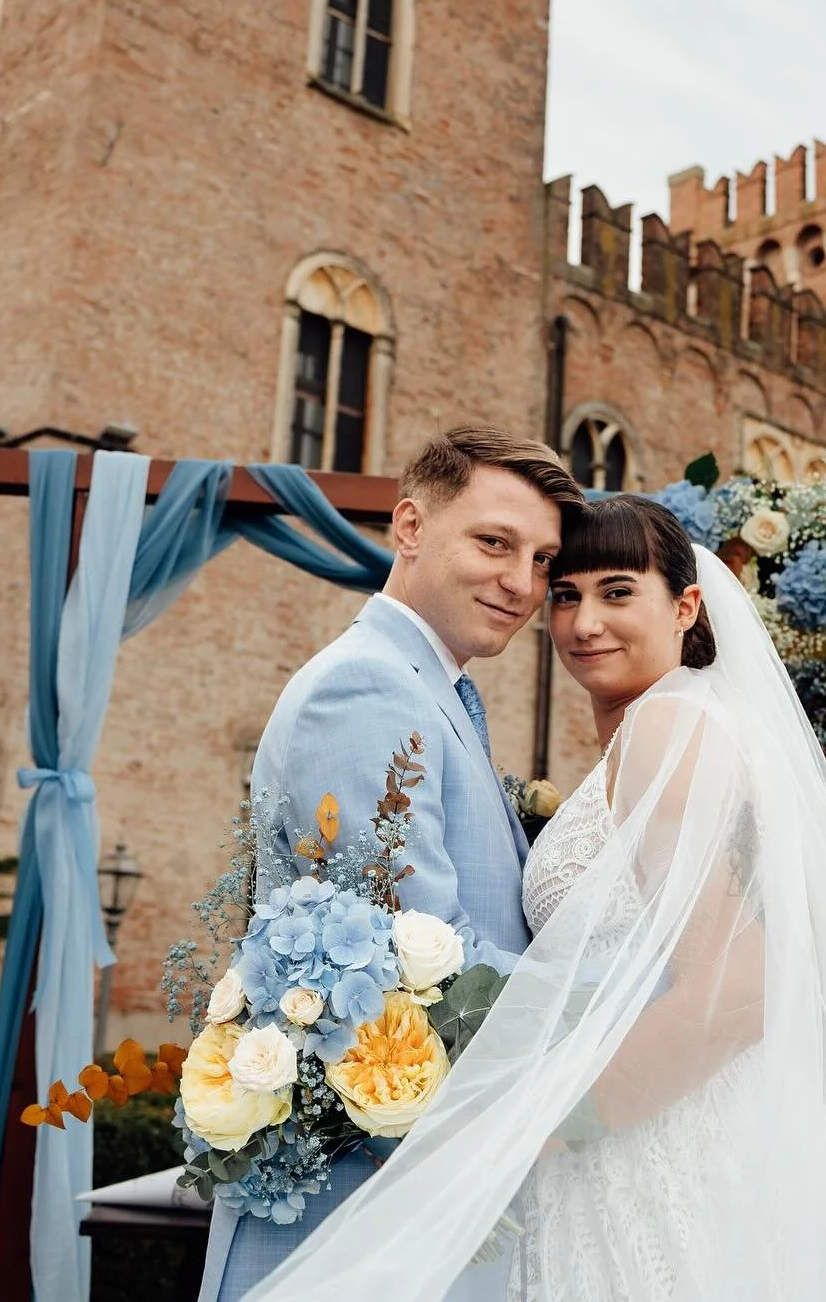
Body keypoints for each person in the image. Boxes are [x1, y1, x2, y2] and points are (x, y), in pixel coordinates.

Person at [243, 494, 826, 1301]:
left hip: (661, 1153)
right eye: (565, 595)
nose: (582, 623)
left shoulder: (666, 730)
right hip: (665, 1130)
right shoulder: (685, 727)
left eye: (616, 592)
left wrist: (545, 1126)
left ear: (684, 606)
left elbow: (738, 989)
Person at [200, 424, 582, 1302]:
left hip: (416, 1188)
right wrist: (638, 1006)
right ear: (409, 526)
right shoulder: (366, 687)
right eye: (495, 542)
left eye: (541, 560)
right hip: (354, 1213)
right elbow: (420, 958)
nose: (522, 583)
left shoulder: (431, 686)